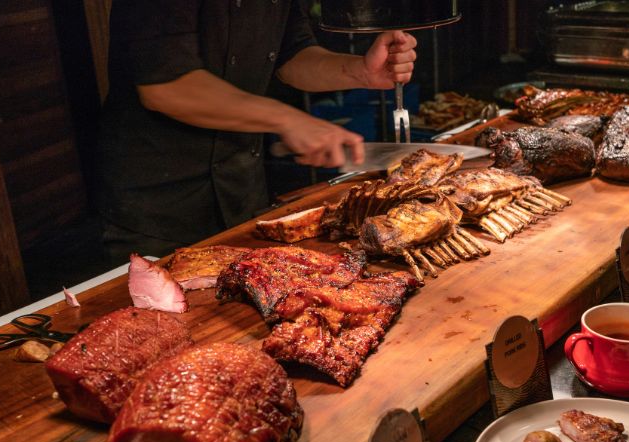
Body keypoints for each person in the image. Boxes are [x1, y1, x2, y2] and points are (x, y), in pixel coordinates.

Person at [97, 1, 417, 263]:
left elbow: (292, 54)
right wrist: (286, 119)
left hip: (241, 192)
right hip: (159, 208)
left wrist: (360, 71)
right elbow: (166, 86)